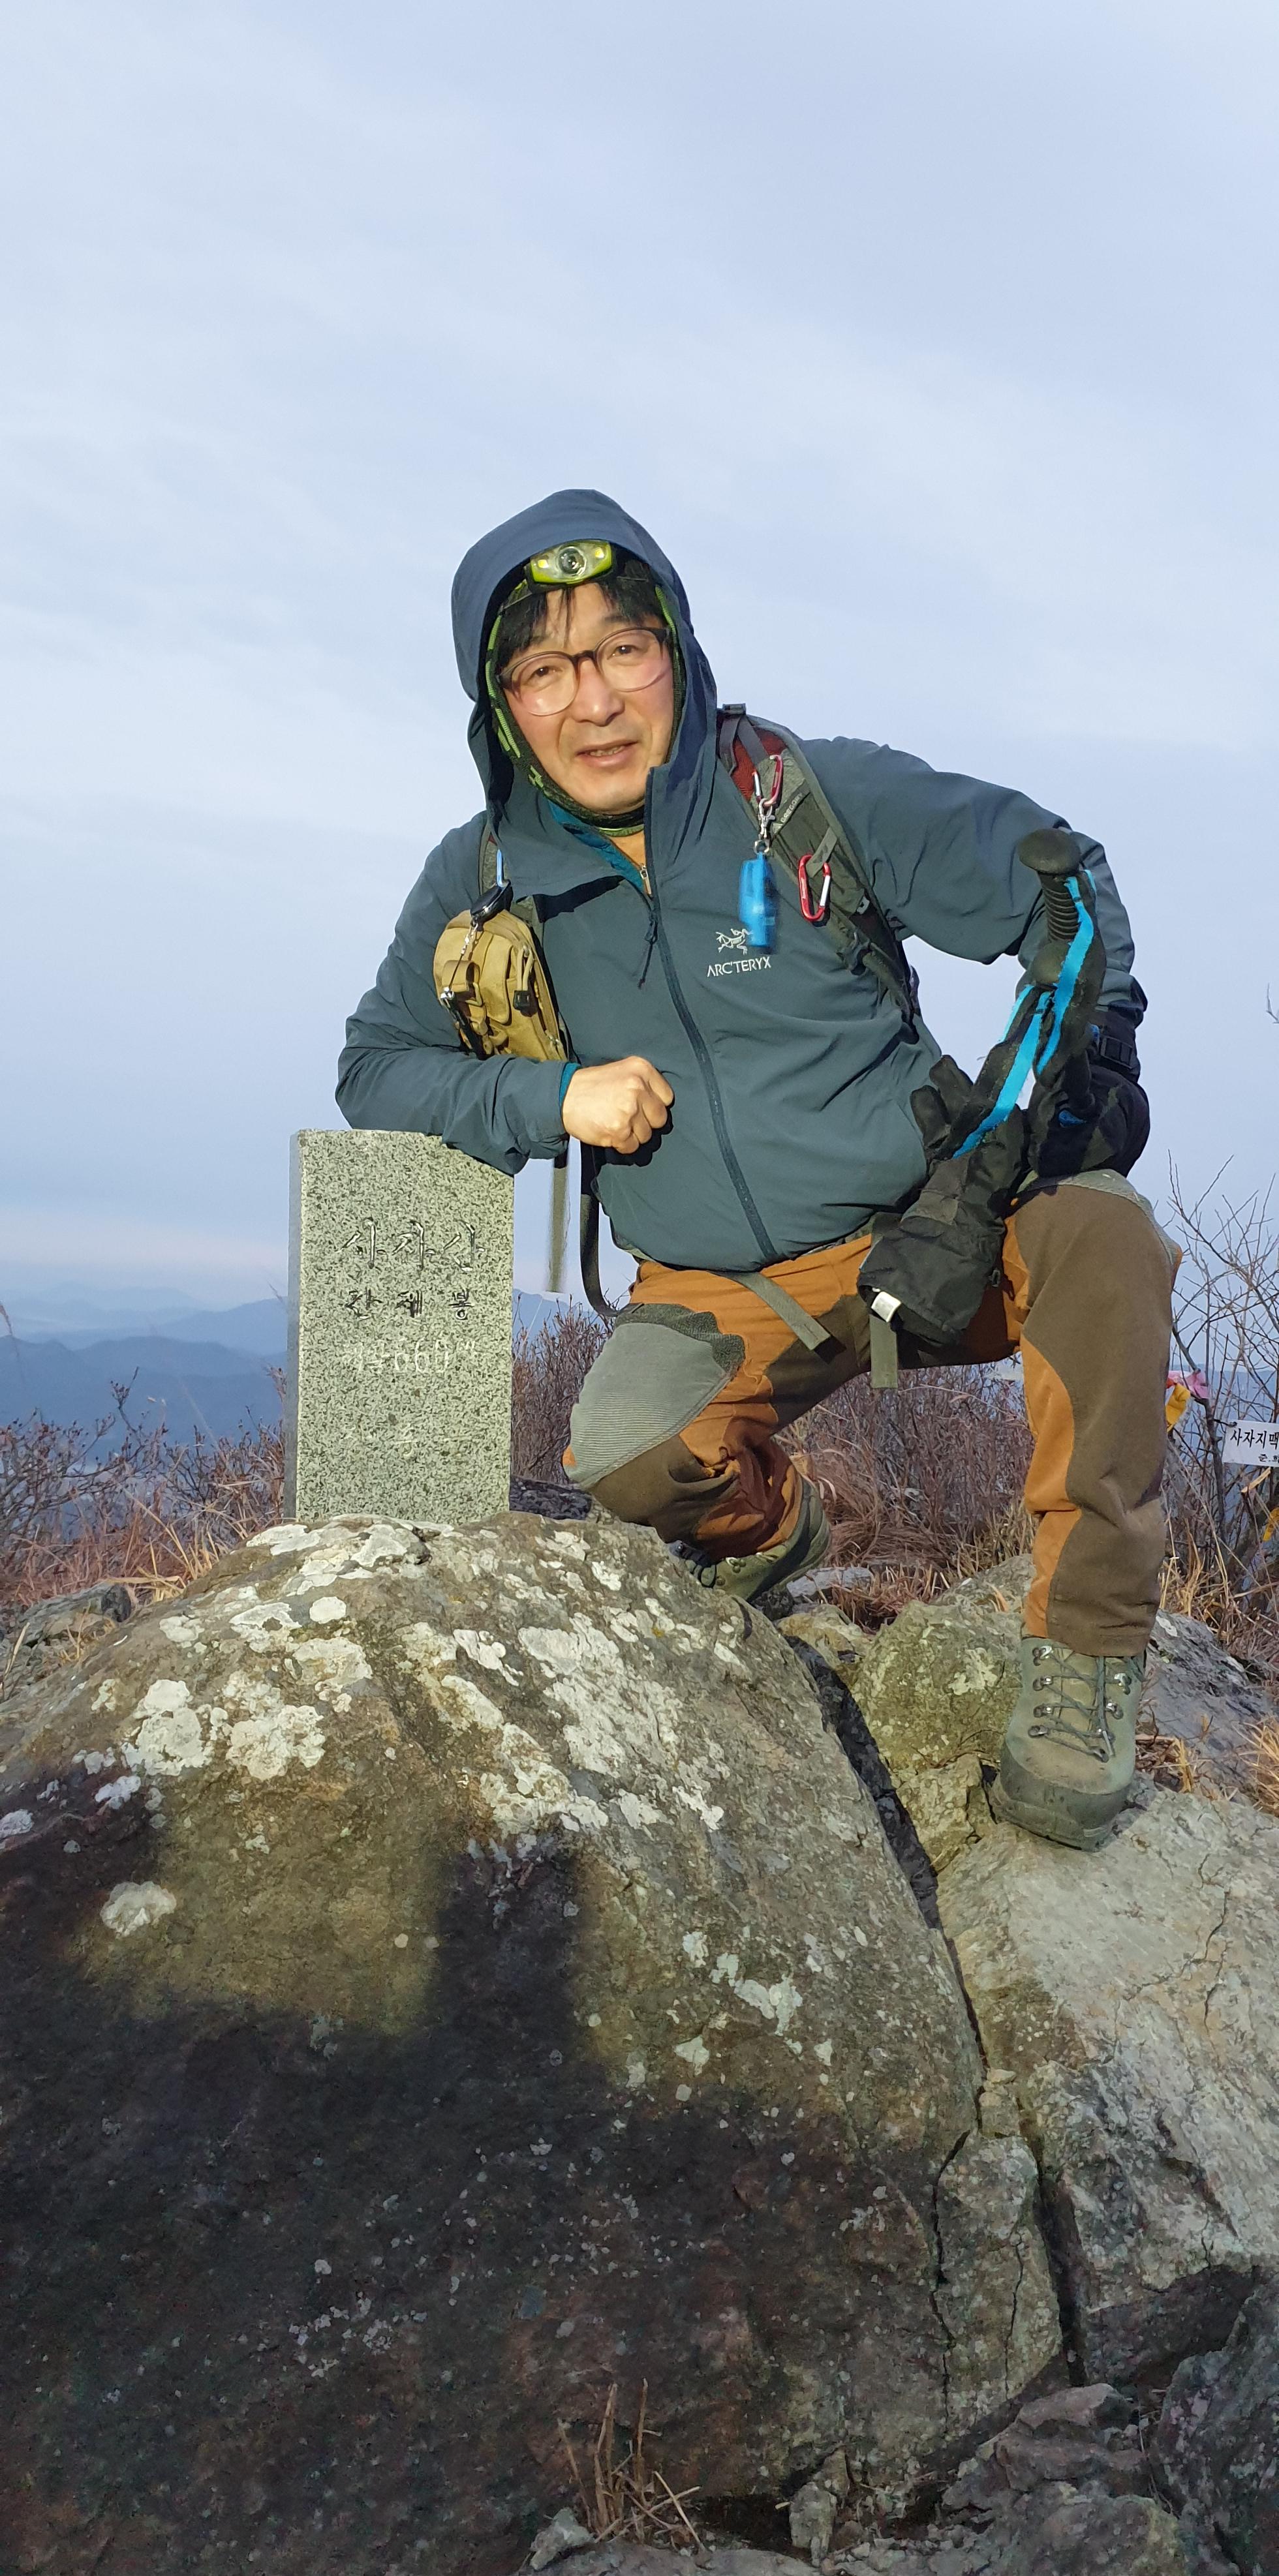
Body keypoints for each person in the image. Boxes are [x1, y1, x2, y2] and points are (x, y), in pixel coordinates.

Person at [338, 489, 1175, 1854]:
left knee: (1100, 1230)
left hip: (934, 1232)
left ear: (674, 649)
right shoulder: (483, 874)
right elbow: (376, 1069)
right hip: (720, 1284)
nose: (594, 702)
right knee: (626, 1464)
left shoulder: (796, 797)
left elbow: (1062, 888)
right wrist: (553, 1096)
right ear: (498, 704)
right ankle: (778, 1530)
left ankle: (1084, 1656)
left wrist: (990, 1153)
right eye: (544, 670)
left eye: (623, 650)